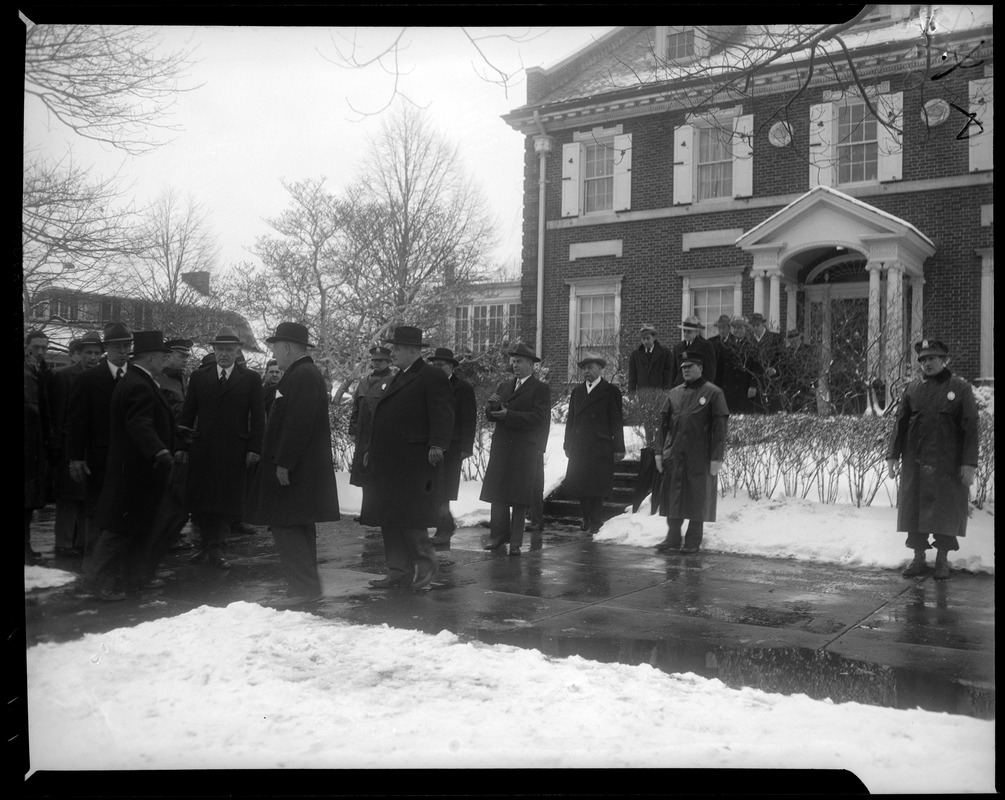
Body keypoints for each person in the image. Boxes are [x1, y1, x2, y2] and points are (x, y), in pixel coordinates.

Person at [248, 322, 340, 605]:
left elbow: (298, 424)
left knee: (287, 526)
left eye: (276, 346)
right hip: (300, 468)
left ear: (287, 347)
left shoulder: (301, 376)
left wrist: (284, 462)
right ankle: (304, 587)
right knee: (297, 526)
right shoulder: (303, 374)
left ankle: (302, 589)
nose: (274, 352)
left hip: (294, 469)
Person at [358, 326, 453, 589]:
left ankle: (426, 567)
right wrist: (370, 450)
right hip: (389, 463)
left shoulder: (431, 376)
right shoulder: (396, 377)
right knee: (390, 517)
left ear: (413, 350)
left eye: (397, 348)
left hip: (415, 462)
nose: (393, 352)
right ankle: (397, 571)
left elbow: (442, 413)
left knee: (412, 519)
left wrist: (438, 444)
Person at [87, 331, 176, 600]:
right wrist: (158, 449)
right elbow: (139, 423)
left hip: (136, 472)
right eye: (162, 356)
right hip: (134, 473)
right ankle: (99, 584)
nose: (165, 360)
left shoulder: (138, 380)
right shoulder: (139, 384)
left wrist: (175, 432)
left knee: (137, 529)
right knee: (118, 531)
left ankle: (133, 579)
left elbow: (147, 420)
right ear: (149, 358)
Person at [886, 339, 979, 581]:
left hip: (947, 464)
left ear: (943, 360)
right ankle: (918, 558)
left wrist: (968, 464)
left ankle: (942, 559)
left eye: (932, 358)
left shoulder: (960, 388)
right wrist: (893, 456)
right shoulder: (912, 389)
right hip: (915, 462)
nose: (927, 363)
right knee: (914, 511)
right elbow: (900, 424)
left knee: (945, 512)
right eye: (923, 359)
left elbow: (970, 428)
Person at [176, 327, 265, 570]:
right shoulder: (199, 376)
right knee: (201, 501)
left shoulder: (250, 379)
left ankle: (216, 549)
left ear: (237, 351)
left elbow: (258, 418)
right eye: (219, 349)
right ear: (213, 350)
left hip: (234, 450)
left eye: (229, 349)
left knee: (225, 503)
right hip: (203, 449)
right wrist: (181, 446)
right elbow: (188, 413)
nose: (224, 354)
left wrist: (254, 448)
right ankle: (203, 547)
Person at [67, 322, 134, 567]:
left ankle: (122, 568)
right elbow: (77, 421)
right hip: (100, 459)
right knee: (98, 513)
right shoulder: (88, 379)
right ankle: (93, 569)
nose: (123, 351)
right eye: (117, 346)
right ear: (107, 348)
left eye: (126, 346)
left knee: (128, 513)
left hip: (132, 460)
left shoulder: (138, 375)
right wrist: (75, 457)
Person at [480, 342, 551, 556]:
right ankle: (498, 536)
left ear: (531, 364)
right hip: (503, 446)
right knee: (499, 492)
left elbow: (539, 418)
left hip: (524, 448)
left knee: (519, 496)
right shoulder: (504, 386)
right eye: (513, 362)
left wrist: (508, 415)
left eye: (519, 361)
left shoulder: (540, 388)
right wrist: (491, 409)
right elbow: (493, 415)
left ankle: (516, 542)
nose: (515, 365)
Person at [654, 351, 729, 554]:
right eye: (683, 367)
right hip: (675, 455)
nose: (685, 370)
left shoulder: (714, 393)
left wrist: (716, 458)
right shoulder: (674, 393)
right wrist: (659, 452)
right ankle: (672, 538)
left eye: (690, 366)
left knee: (697, 498)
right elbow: (662, 425)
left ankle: (693, 540)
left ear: (701, 368)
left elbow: (719, 429)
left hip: (700, 456)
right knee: (673, 498)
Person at [49, 331, 104, 558]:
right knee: (68, 497)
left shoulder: (102, 376)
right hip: (69, 444)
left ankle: (82, 543)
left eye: (96, 353)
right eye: (88, 353)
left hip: (93, 445)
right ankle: (63, 543)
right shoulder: (63, 376)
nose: (92, 357)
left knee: (86, 496)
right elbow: (58, 414)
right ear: (78, 354)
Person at [563, 353, 625, 535]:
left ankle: (596, 520)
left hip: (600, 445)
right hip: (580, 445)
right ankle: (586, 517)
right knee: (580, 484)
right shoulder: (577, 392)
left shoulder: (611, 391)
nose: (586, 371)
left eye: (590, 367)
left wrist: (619, 447)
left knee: (596, 486)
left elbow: (616, 421)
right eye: (584, 368)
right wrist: (567, 444)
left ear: (600, 369)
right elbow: (571, 420)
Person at [428, 347, 477, 548]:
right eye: (434, 366)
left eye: (440, 365)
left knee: (445, 488)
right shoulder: (429, 386)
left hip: (453, 445)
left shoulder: (463, 388)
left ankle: (445, 528)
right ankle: (445, 525)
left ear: (451, 367)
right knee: (434, 489)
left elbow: (469, 419)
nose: (437, 369)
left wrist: (466, 446)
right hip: (432, 444)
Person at [24, 329, 53, 564]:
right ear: (27, 346)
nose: (41, 352)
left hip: (34, 443)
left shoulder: (41, 371)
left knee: (30, 501)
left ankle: (27, 545)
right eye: (36, 347)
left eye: (45, 348)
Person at [348, 346, 395, 488]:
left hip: (380, 436)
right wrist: (352, 430)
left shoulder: (393, 381)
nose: (376, 363)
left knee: (379, 478)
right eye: (374, 360)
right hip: (363, 435)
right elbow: (356, 407)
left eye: (380, 360)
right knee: (363, 476)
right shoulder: (364, 382)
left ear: (388, 362)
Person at [627, 323, 673, 447]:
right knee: (647, 422)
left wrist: (666, 392)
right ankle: (649, 446)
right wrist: (631, 393)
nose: (645, 341)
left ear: (654, 338)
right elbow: (633, 376)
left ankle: (660, 446)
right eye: (643, 338)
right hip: (644, 394)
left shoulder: (664, 353)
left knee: (660, 421)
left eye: (648, 338)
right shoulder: (636, 355)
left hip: (659, 394)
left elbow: (668, 374)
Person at [717, 316, 764, 414]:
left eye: (740, 328)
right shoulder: (725, 346)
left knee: (744, 415)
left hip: (744, 388)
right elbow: (719, 368)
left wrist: (753, 386)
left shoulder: (752, 347)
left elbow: (757, 368)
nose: (736, 330)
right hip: (728, 388)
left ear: (746, 330)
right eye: (735, 328)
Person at [748, 313, 784, 413]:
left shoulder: (775, 338)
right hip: (756, 382)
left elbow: (782, 357)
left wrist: (775, 368)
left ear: (763, 324)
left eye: (757, 325)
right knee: (757, 412)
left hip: (772, 381)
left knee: (773, 410)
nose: (755, 328)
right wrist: (752, 384)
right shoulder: (749, 340)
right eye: (753, 325)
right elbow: (750, 364)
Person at [778, 330, 818, 413]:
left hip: (806, 387)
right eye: (791, 341)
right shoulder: (786, 352)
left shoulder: (809, 350)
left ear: (799, 338)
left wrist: (813, 384)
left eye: (795, 340)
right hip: (790, 388)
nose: (793, 343)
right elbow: (783, 369)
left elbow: (814, 368)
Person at [671, 316, 718, 387]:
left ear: (696, 331)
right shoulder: (678, 348)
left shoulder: (706, 346)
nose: (686, 334)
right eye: (684, 331)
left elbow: (710, 372)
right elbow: (673, 371)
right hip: (680, 388)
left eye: (689, 331)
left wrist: (705, 389)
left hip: (697, 388)